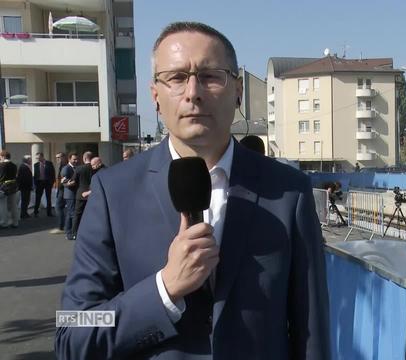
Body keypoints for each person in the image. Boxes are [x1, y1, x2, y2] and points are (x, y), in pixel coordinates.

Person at [56, 22, 329, 359]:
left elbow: (311, 330)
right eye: (176, 77)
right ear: (155, 96)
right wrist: (166, 289)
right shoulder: (113, 192)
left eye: (211, 75)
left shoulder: (289, 191)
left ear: (238, 90)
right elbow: (72, 333)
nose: (193, 92)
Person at [71, 151, 93, 237]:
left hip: (81, 194)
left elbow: (73, 181)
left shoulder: (79, 168)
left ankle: (75, 233)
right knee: (92, 214)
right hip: (93, 193)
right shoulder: (95, 168)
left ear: (84, 158)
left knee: (78, 214)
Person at [60, 152, 78, 240]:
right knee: (71, 214)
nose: (76, 161)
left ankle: (70, 231)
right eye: (74, 159)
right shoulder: (66, 168)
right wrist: (70, 184)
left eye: (76, 159)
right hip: (70, 194)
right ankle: (69, 232)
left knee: (70, 213)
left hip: (74, 194)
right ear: (69, 159)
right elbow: (63, 182)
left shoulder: (75, 168)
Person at [33, 152, 55, 217]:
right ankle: (35, 212)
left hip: (48, 183)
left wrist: (52, 182)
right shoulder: (36, 165)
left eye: (39, 157)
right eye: (37, 158)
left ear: (42, 157)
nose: (38, 159)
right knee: (38, 198)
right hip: (39, 183)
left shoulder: (49, 163)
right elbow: (35, 175)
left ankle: (49, 213)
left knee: (48, 198)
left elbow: (53, 173)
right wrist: (35, 183)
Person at [0, 151, 19, 228]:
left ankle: (4, 222)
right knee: (13, 205)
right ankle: (15, 222)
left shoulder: (1, 165)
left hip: (3, 186)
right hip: (13, 186)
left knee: (3, 205)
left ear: (3, 157)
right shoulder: (14, 165)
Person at [51, 152, 68, 233]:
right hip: (60, 190)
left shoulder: (65, 167)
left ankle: (61, 227)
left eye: (59, 157)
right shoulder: (61, 166)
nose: (57, 159)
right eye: (56, 158)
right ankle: (63, 226)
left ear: (64, 157)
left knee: (58, 207)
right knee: (60, 208)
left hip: (63, 190)